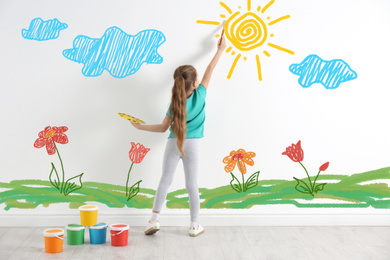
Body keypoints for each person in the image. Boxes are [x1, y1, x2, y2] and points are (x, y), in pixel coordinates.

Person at [130, 34, 226, 237]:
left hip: (173, 144)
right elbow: (210, 69)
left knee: (165, 181)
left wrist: (140, 127)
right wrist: (220, 49)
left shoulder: (174, 104)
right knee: (192, 185)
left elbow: (163, 128)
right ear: (194, 84)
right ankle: (193, 225)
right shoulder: (200, 94)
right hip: (193, 146)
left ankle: (154, 220)